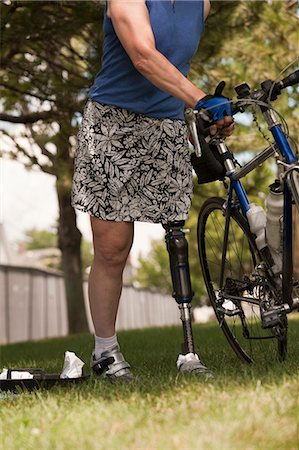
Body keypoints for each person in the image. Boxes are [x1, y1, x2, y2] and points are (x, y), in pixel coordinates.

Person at [72, 0, 235, 382]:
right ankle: (105, 352)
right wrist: (200, 98)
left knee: (177, 239)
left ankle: (189, 350)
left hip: (166, 127)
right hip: (113, 125)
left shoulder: (202, 5)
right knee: (113, 248)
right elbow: (144, 55)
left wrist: (210, 114)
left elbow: (175, 68)